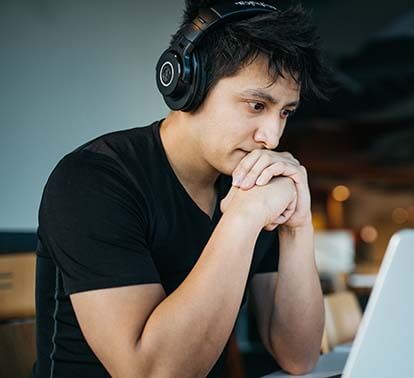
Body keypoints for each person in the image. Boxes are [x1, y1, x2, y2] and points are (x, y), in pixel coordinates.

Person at [33, 1, 333, 376]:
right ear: (188, 84)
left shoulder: (249, 181)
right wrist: (243, 218)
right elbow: (152, 372)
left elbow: (299, 355)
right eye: (257, 105)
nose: (271, 137)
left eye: (285, 112)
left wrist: (297, 226)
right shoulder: (93, 180)